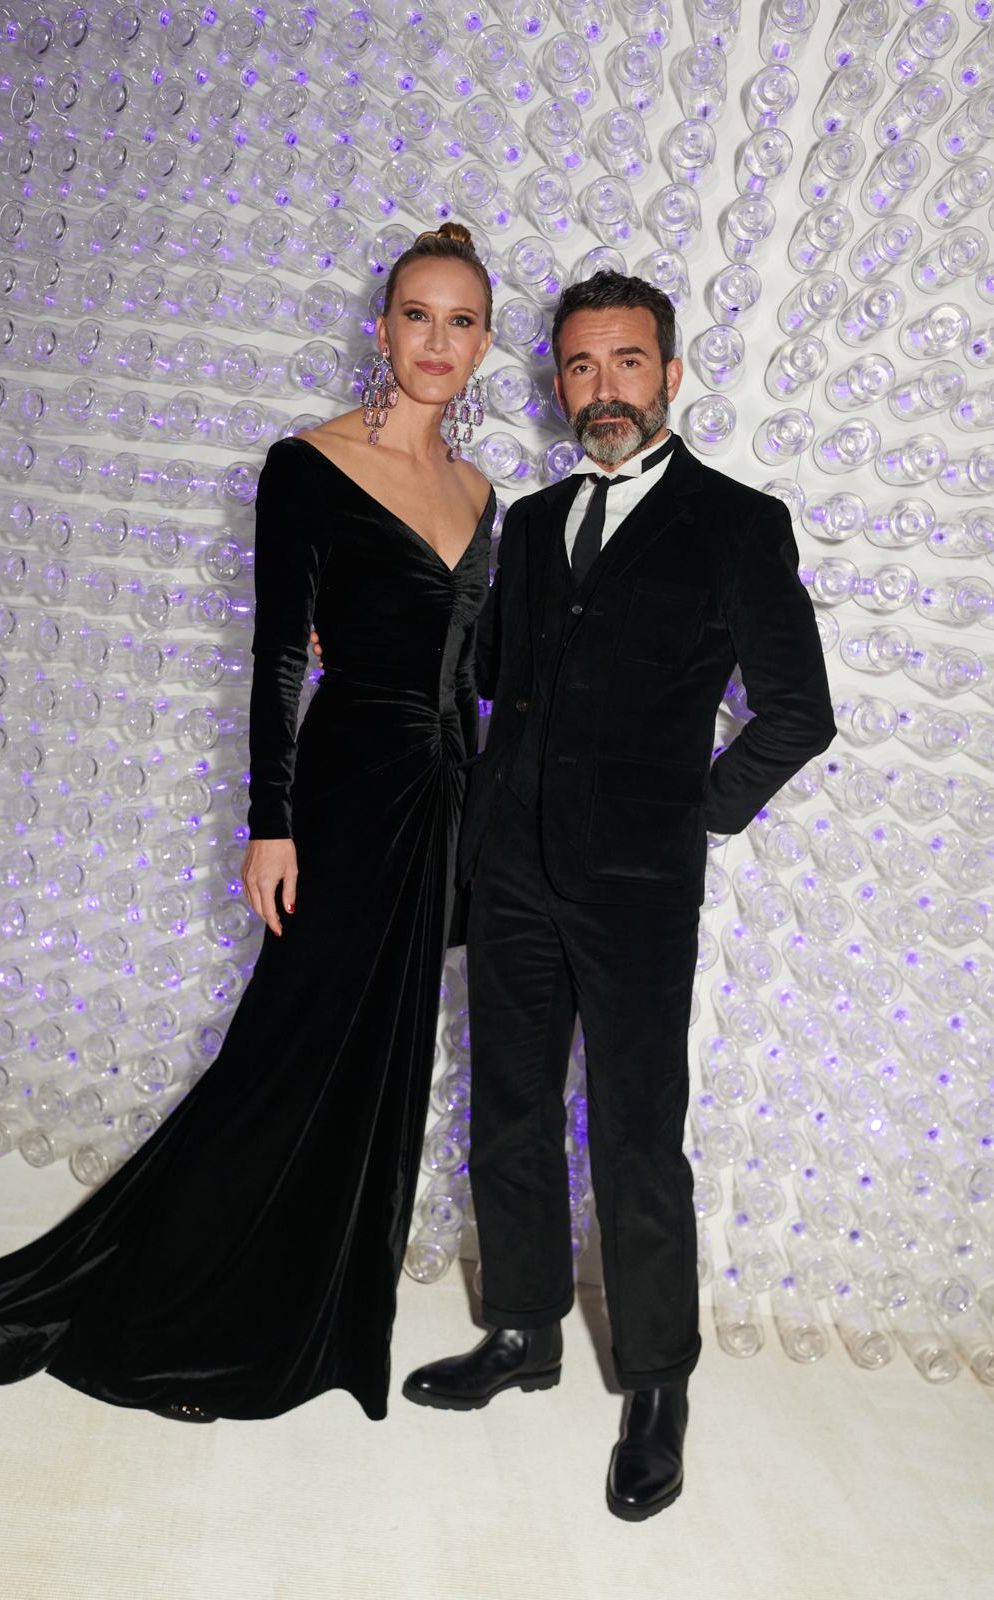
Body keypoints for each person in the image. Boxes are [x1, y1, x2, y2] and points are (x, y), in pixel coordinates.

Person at [0, 222, 495, 1425]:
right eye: (416, 315)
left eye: (460, 322)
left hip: (441, 806)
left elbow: (470, 667)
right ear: (380, 327)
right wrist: (269, 822)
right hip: (343, 795)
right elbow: (281, 654)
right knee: (277, 1059)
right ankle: (169, 1315)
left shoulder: (481, 493)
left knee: (379, 1068)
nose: (435, 341)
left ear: (484, 344)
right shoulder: (307, 464)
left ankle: (315, 1315)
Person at [402, 271, 836, 1519]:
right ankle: (520, 1331)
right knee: (508, 1112)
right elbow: (488, 669)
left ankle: (655, 1388)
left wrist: (689, 814)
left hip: (638, 891)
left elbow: (797, 713)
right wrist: (381, 637)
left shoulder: (735, 522)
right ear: (557, 381)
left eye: (626, 363)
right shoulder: (535, 522)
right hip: (512, 875)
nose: (603, 389)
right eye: (581, 366)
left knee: (637, 1140)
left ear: (668, 375)